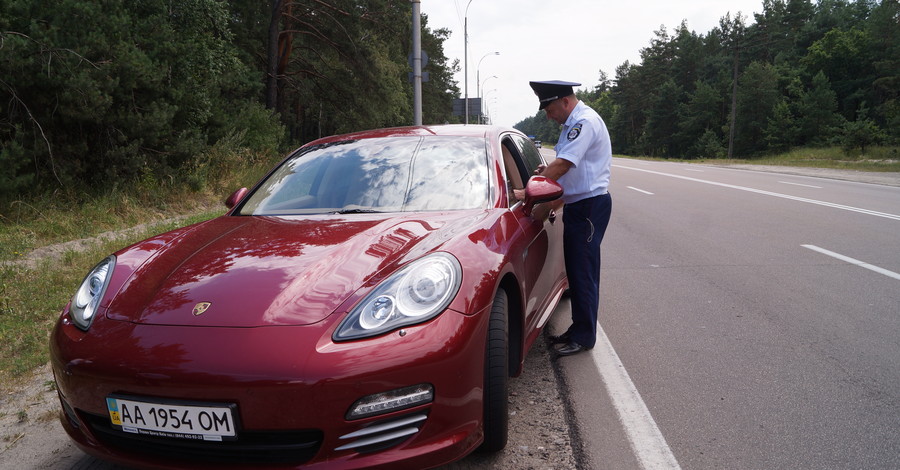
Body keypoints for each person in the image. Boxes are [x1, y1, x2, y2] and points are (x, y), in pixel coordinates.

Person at [527, 80, 613, 357]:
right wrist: (547, 171)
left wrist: (532, 187)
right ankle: (578, 328)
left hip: (589, 206)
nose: (549, 116)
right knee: (576, 273)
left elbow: (564, 164)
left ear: (565, 101)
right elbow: (567, 166)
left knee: (584, 274)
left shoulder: (584, 122)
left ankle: (585, 337)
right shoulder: (572, 124)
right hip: (579, 205)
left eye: (550, 109)